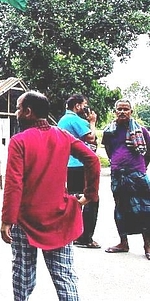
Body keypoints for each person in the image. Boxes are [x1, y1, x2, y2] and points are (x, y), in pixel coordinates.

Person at [1, 91, 100, 300]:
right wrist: (89, 195)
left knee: (22, 273)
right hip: (58, 217)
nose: (16, 113)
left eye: (18, 108)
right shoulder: (62, 136)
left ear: (28, 112)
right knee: (64, 276)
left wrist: (7, 220)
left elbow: (14, 184)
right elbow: (92, 159)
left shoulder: (19, 141)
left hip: (24, 220)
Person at [101, 98, 150, 259]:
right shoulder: (109, 131)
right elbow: (109, 149)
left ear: (131, 112)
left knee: (145, 209)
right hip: (118, 174)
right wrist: (116, 162)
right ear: (115, 112)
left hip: (137, 174)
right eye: (119, 109)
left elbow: (147, 151)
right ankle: (123, 243)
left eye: (125, 109)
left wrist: (142, 167)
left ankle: (148, 245)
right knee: (120, 208)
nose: (122, 112)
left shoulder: (141, 131)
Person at [57, 94, 101, 249]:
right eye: (84, 105)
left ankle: (72, 233)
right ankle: (85, 237)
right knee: (91, 198)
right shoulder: (75, 120)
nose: (85, 108)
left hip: (68, 164)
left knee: (74, 198)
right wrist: (92, 122)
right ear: (77, 106)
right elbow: (91, 138)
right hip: (80, 164)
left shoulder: (62, 120)